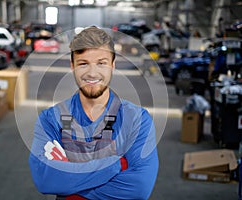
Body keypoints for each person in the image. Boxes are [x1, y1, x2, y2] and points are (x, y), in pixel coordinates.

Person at [28, 26, 159, 200]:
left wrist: (72, 189)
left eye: (101, 63)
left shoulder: (137, 120)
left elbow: (139, 188)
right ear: (72, 66)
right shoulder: (51, 119)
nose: (92, 73)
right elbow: (45, 179)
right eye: (83, 63)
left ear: (112, 65)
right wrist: (115, 165)